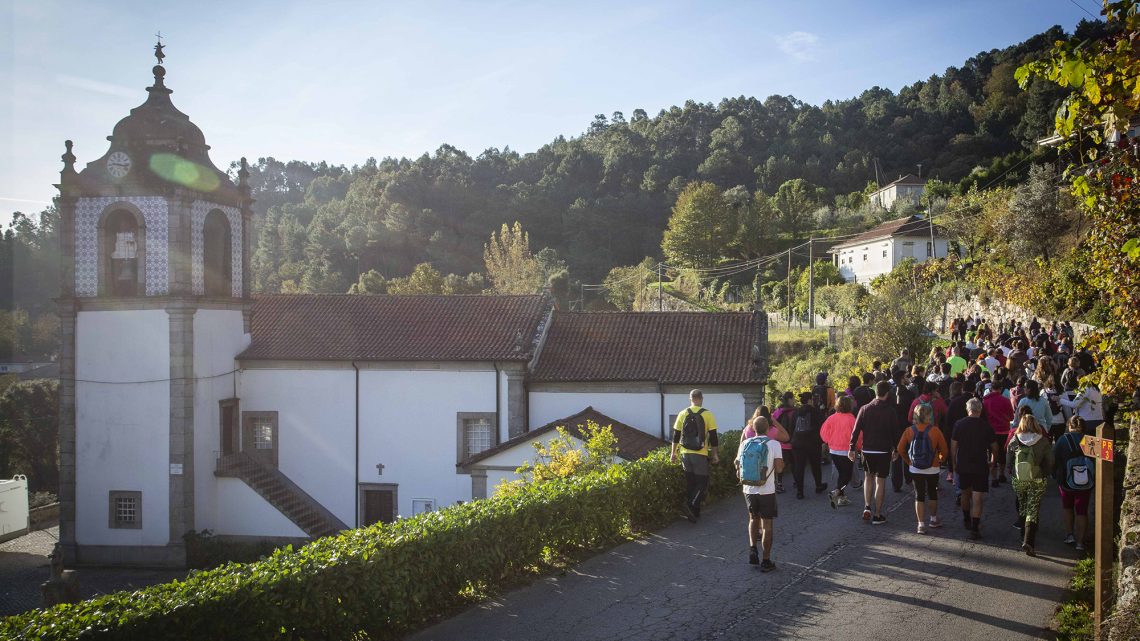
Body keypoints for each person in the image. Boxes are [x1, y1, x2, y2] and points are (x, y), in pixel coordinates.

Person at [737, 416, 784, 570]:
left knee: (753, 518)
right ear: (768, 429)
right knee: (767, 524)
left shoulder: (744, 443)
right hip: (767, 490)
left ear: (754, 429)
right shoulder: (774, 444)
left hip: (748, 489)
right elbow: (779, 469)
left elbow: (738, 465)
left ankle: (752, 548)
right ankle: (766, 560)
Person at [849, 381, 900, 525]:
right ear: (887, 393)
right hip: (883, 450)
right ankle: (877, 514)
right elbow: (896, 432)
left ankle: (867, 507)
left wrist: (852, 448)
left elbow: (856, 430)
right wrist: (896, 449)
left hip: (867, 449)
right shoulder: (890, 411)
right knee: (881, 481)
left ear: (875, 392)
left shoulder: (865, 409)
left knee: (868, 478)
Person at [1007, 414, 1055, 556]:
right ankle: (1029, 541)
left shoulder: (1014, 440)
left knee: (1022, 504)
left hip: (1019, 479)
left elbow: (1008, 461)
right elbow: (1050, 461)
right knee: (1032, 509)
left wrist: (1013, 472)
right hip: (1037, 479)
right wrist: (1045, 473)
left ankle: (1022, 532)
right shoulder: (1043, 442)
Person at [897, 404, 949, 534]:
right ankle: (933, 519)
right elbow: (944, 449)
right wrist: (940, 459)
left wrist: (908, 461)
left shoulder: (909, 430)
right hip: (933, 467)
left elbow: (900, 449)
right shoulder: (935, 431)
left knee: (918, 495)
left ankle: (921, 524)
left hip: (915, 467)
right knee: (932, 492)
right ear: (929, 416)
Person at [951, 398, 998, 539]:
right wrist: (993, 461)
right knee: (978, 497)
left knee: (965, 493)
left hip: (963, 464)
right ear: (980, 410)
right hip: (980, 465)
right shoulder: (986, 426)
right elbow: (995, 447)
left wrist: (954, 464)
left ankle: (966, 519)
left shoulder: (959, 424)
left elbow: (953, 446)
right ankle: (975, 528)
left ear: (968, 409)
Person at [671, 389, 719, 522]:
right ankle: (690, 504)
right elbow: (714, 437)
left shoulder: (682, 413)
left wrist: (673, 453)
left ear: (690, 399)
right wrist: (715, 454)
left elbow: (676, 435)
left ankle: (694, 513)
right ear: (701, 398)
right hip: (700, 453)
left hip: (685, 453)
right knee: (702, 483)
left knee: (691, 483)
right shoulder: (708, 414)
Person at [1053, 416, 1092, 552]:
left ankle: (1070, 535)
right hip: (1086, 481)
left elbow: (1054, 459)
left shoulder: (1063, 440)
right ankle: (1080, 542)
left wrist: (1055, 476)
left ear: (1069, 426)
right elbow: (1107, 458)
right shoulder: (1089, 440)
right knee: (1082, 510)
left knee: (1067, 507)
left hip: (1066, 481)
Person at [820, 396, 858, 509]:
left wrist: (828, 442)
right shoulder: (852, 419)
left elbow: (823, 432)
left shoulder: (831, 418)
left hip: (834, 450)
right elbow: (857, 435)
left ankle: (842, 498)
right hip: (847, 450)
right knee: (846, 476)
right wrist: (859, 447)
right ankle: (836, 492)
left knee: (842, 474)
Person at [790, 392, 827, 499]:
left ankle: (800, 492)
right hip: (813, 443)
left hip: (797, 443)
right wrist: (823, 442)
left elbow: (792, 427)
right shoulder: (816, 411)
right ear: (810, 400)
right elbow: (822, 427)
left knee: (799, 467)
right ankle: (818, 485)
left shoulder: (796, 412)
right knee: (815, 465)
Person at [983, 378, 1014, 486]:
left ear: (991, 389)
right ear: (1000, 389)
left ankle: (993, 477)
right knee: (1002, 453)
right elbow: (1011, 416)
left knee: (991, 453)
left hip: (990, 431)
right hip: (1003, 430)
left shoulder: (985, 401)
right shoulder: (1005, 400)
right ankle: (1001, 474)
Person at [772, 391, 797, 493]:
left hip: (780, 443)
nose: (794, 400)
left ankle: (779, 483)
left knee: (781, 464)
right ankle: (797, 481)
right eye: (793, 398)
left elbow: (772, 425)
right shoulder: (795, 411)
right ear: (790, 399)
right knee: (794, 463)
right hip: (793, 442)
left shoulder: (778, 412)